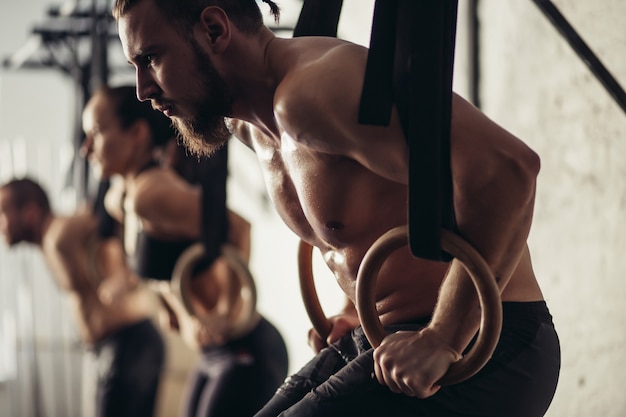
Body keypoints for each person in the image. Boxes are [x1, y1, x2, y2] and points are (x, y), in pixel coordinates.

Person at [112, 1, 561, 416]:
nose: (141, 90)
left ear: (214, 29)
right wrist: (353, 305)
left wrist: (443, 336)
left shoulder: (312, 92)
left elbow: (509, 171)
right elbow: (366, 218)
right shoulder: (251, 127)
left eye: (150, 58)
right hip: (388, 337)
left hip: (492, 343)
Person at [80, 84, 289, 417]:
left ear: (137, 133)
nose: (85, 148)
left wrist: (227, 310)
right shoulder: (119, 199)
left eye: (96, 132)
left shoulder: (150, 195)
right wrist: (169, 308)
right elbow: (162, 264)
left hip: (245, 349)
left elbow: (237, 227)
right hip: (210, 355)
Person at [0, 177, 165, 417]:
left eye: (4, 212)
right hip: (115, 350)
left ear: (31, 213)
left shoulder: (60, 235)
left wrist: (126, 277)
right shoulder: (51, 241)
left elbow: (102, 216)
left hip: (129, 347)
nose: (1, 224)